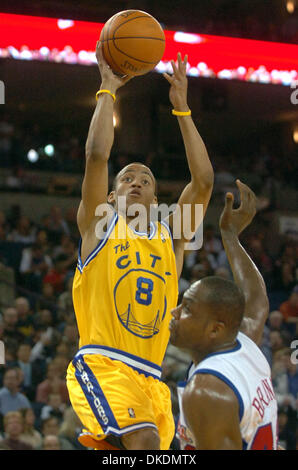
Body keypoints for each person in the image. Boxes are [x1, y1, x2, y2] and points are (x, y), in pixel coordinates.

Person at [66, 41, 214, 451]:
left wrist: (181, 109)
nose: (136, 182)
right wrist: (106, 87)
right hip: (103, 364)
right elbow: (96, 156)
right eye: (127, 178)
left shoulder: (172, 236)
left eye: (145, 180)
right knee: (145, 443)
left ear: (154, 198)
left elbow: (203, 183)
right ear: (112, 196)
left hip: (152, 378)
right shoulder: (100, 223)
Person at [171, 181, 279, 450]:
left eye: (187, 309)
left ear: (215, 330)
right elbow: (256, 301)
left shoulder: (207, 390)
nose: (174, 312)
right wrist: (230, 234)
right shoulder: (244, 345)